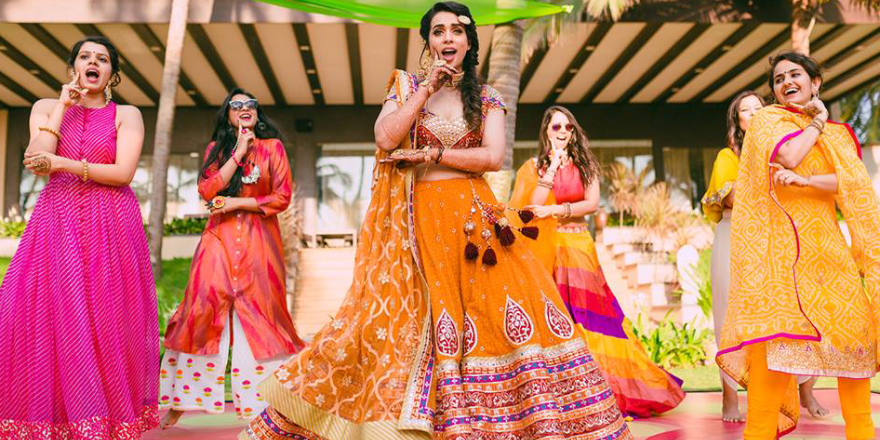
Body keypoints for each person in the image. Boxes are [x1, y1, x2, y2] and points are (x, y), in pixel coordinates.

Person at [241, 3, 632, 439]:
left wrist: (435, 155)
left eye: (456, 32)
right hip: (414, 222)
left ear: (469, 42)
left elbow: (492, 157)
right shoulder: (405, 86)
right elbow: (385, 137)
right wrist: (425, 89)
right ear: (428, 41)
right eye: (439, 31)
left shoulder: (487, 98)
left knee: (499, 315)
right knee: (389, 323)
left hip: (474, 223)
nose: (448, 39)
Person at [0, 36, 158, 438]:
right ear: (73, 68)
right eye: (85, 57)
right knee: (53, 318)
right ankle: (57, 420)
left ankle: (104, 422)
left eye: (102, 59)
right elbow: (37, 160)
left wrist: (64, 163)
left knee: (107, 320)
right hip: (57, 224)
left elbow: (123, 173)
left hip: (113, 226)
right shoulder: (44, 108)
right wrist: (60, 107)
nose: (94, 62)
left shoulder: (128, 114)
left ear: (112, 74)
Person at [717, 51, 880, 439]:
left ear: (815, 82)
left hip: (830, 253)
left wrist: (806, 181)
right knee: (777, 357)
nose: (786, 82)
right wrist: (818, 122)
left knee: (853, 348)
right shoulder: (767, 122)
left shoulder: (840, 136)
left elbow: (848, 185)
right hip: (783, 260)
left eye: (795, 74)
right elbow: (788, 154)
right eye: (778, 79)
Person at [508, 105, 685, 418]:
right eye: (556, 127)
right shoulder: (535, 166)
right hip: (547, 250)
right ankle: (562, 393)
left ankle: (602, 392)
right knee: (556, 318)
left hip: (577, 248)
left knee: (590, 319)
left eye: (568, 128)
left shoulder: (585, 164)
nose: (562, 133)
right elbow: (532, 206)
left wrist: (558, 211)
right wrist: (551, 169)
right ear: (546, 132)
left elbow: (590, 203)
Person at [159, 88, 305, 428]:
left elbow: (282, 196)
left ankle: (271, 406)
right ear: (228, 115)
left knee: (263, 320)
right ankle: (181, 399)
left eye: (249, 104)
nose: (243, 109)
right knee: (200, 313)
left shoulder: (273, 148)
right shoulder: (218, 150)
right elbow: (208, 190)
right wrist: (238, 152)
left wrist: (237, 203)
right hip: (218, 244)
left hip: (259, 247)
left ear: (257, 112)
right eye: (235, 105)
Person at [703, 91, 828, 424]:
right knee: (729, 314)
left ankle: (805, 391)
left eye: (760, 108)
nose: (754, 114)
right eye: (746, 111)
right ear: (738, 122)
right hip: (734, 238)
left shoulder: (786, 151)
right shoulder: (728, 157)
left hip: (776, 238)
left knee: (791, 313)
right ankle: (730, 397)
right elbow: (731, 197)